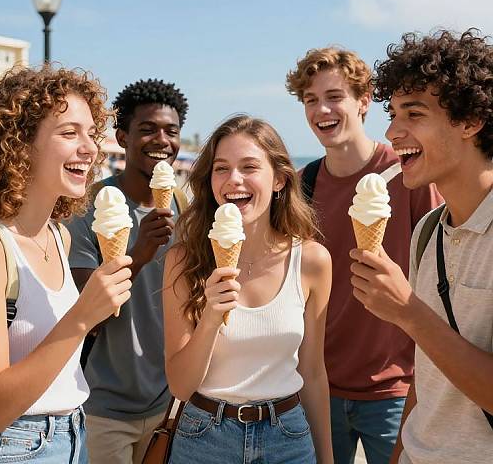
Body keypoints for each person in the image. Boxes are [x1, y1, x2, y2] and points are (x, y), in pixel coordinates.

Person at [285, 48, 442, 464]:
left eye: (334, 96)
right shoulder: (304, 185)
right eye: (311, 100)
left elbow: (440, 272)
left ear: (364, 100)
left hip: (396, 388)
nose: (322, 109)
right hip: (318, 385)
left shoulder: (410, 172)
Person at [350, 29, 493, 464]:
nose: (392, 132)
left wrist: (408, 312)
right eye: (391, 114)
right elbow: (426, 374)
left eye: (414, 114)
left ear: (470, 121)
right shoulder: (428, 229)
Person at [0, 66, 132, 463]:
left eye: (90, 133)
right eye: (69, 133)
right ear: (20, 143)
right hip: (14, 447)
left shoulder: (59, 236)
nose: (90, 148)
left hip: (74, 436)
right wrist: (83, 316)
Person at [163, 115, 333, 464]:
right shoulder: (184, 260)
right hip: (204, 438)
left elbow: (313, 372)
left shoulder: (312, 261)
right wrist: (210, 318)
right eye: (221, 168)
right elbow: (180, 386)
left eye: (249, 167)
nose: (233, 180)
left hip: (288, 437)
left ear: (280, 180)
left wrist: (327, 458)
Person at [67, 78, 189, 464]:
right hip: (102, 404)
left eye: (171, 131)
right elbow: (88, 309)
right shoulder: (90, 206)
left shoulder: (186, 208)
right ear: (122, 136)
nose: (161, 140)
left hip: (169, 402)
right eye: (147, 129)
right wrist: (140, 252)